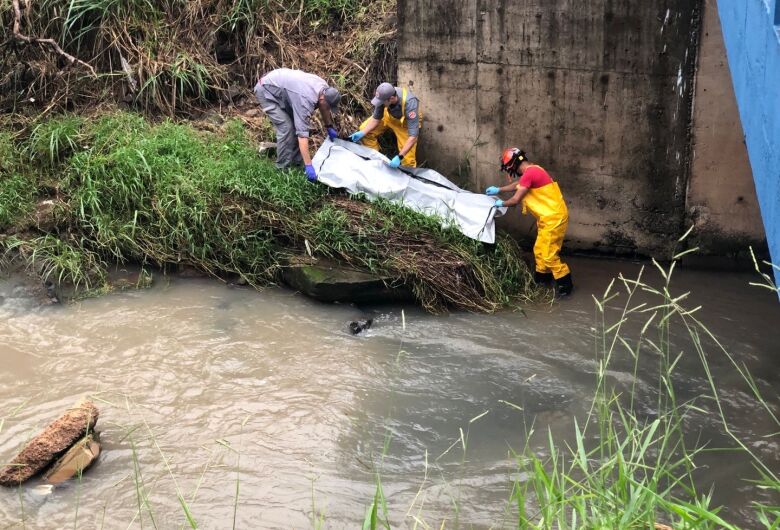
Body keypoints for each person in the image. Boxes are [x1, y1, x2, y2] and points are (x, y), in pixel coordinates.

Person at [486, 148, 574, 296]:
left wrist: (499, 203)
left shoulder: (531, 173)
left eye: (508, 168)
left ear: (513, 165)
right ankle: (542, 280)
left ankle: (565, 284)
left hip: (554, 218)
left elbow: (515, 200)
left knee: (548, 255)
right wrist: (499, 189)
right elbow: (517, 185)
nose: (509, 170)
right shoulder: (532, 170)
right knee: (539, 250)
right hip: (549, 217)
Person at [254, 68, 341, 182]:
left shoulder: (323, 88)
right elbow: (302, 136)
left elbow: (324, 107)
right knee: (287, 128)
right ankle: (281, 170)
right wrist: (309, 165)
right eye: (329, 106)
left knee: (299, 126)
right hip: (267, 91)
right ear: (322, 98)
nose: (328, 108)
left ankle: (296, 164)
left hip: (284, 89)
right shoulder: (306, 100)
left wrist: (329, 126)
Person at [348, 82, 421, 168]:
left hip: (405, 125)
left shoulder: (410, 103)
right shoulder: (384, 97)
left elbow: (413, 137)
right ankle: (375, 161)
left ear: (392, 98)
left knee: (408, 160)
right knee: (365, 130)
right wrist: (362, 133)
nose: (380, 104)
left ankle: (407, 177)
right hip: (388, 117)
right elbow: (376, 119)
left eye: (382, 102)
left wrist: (400, 156)